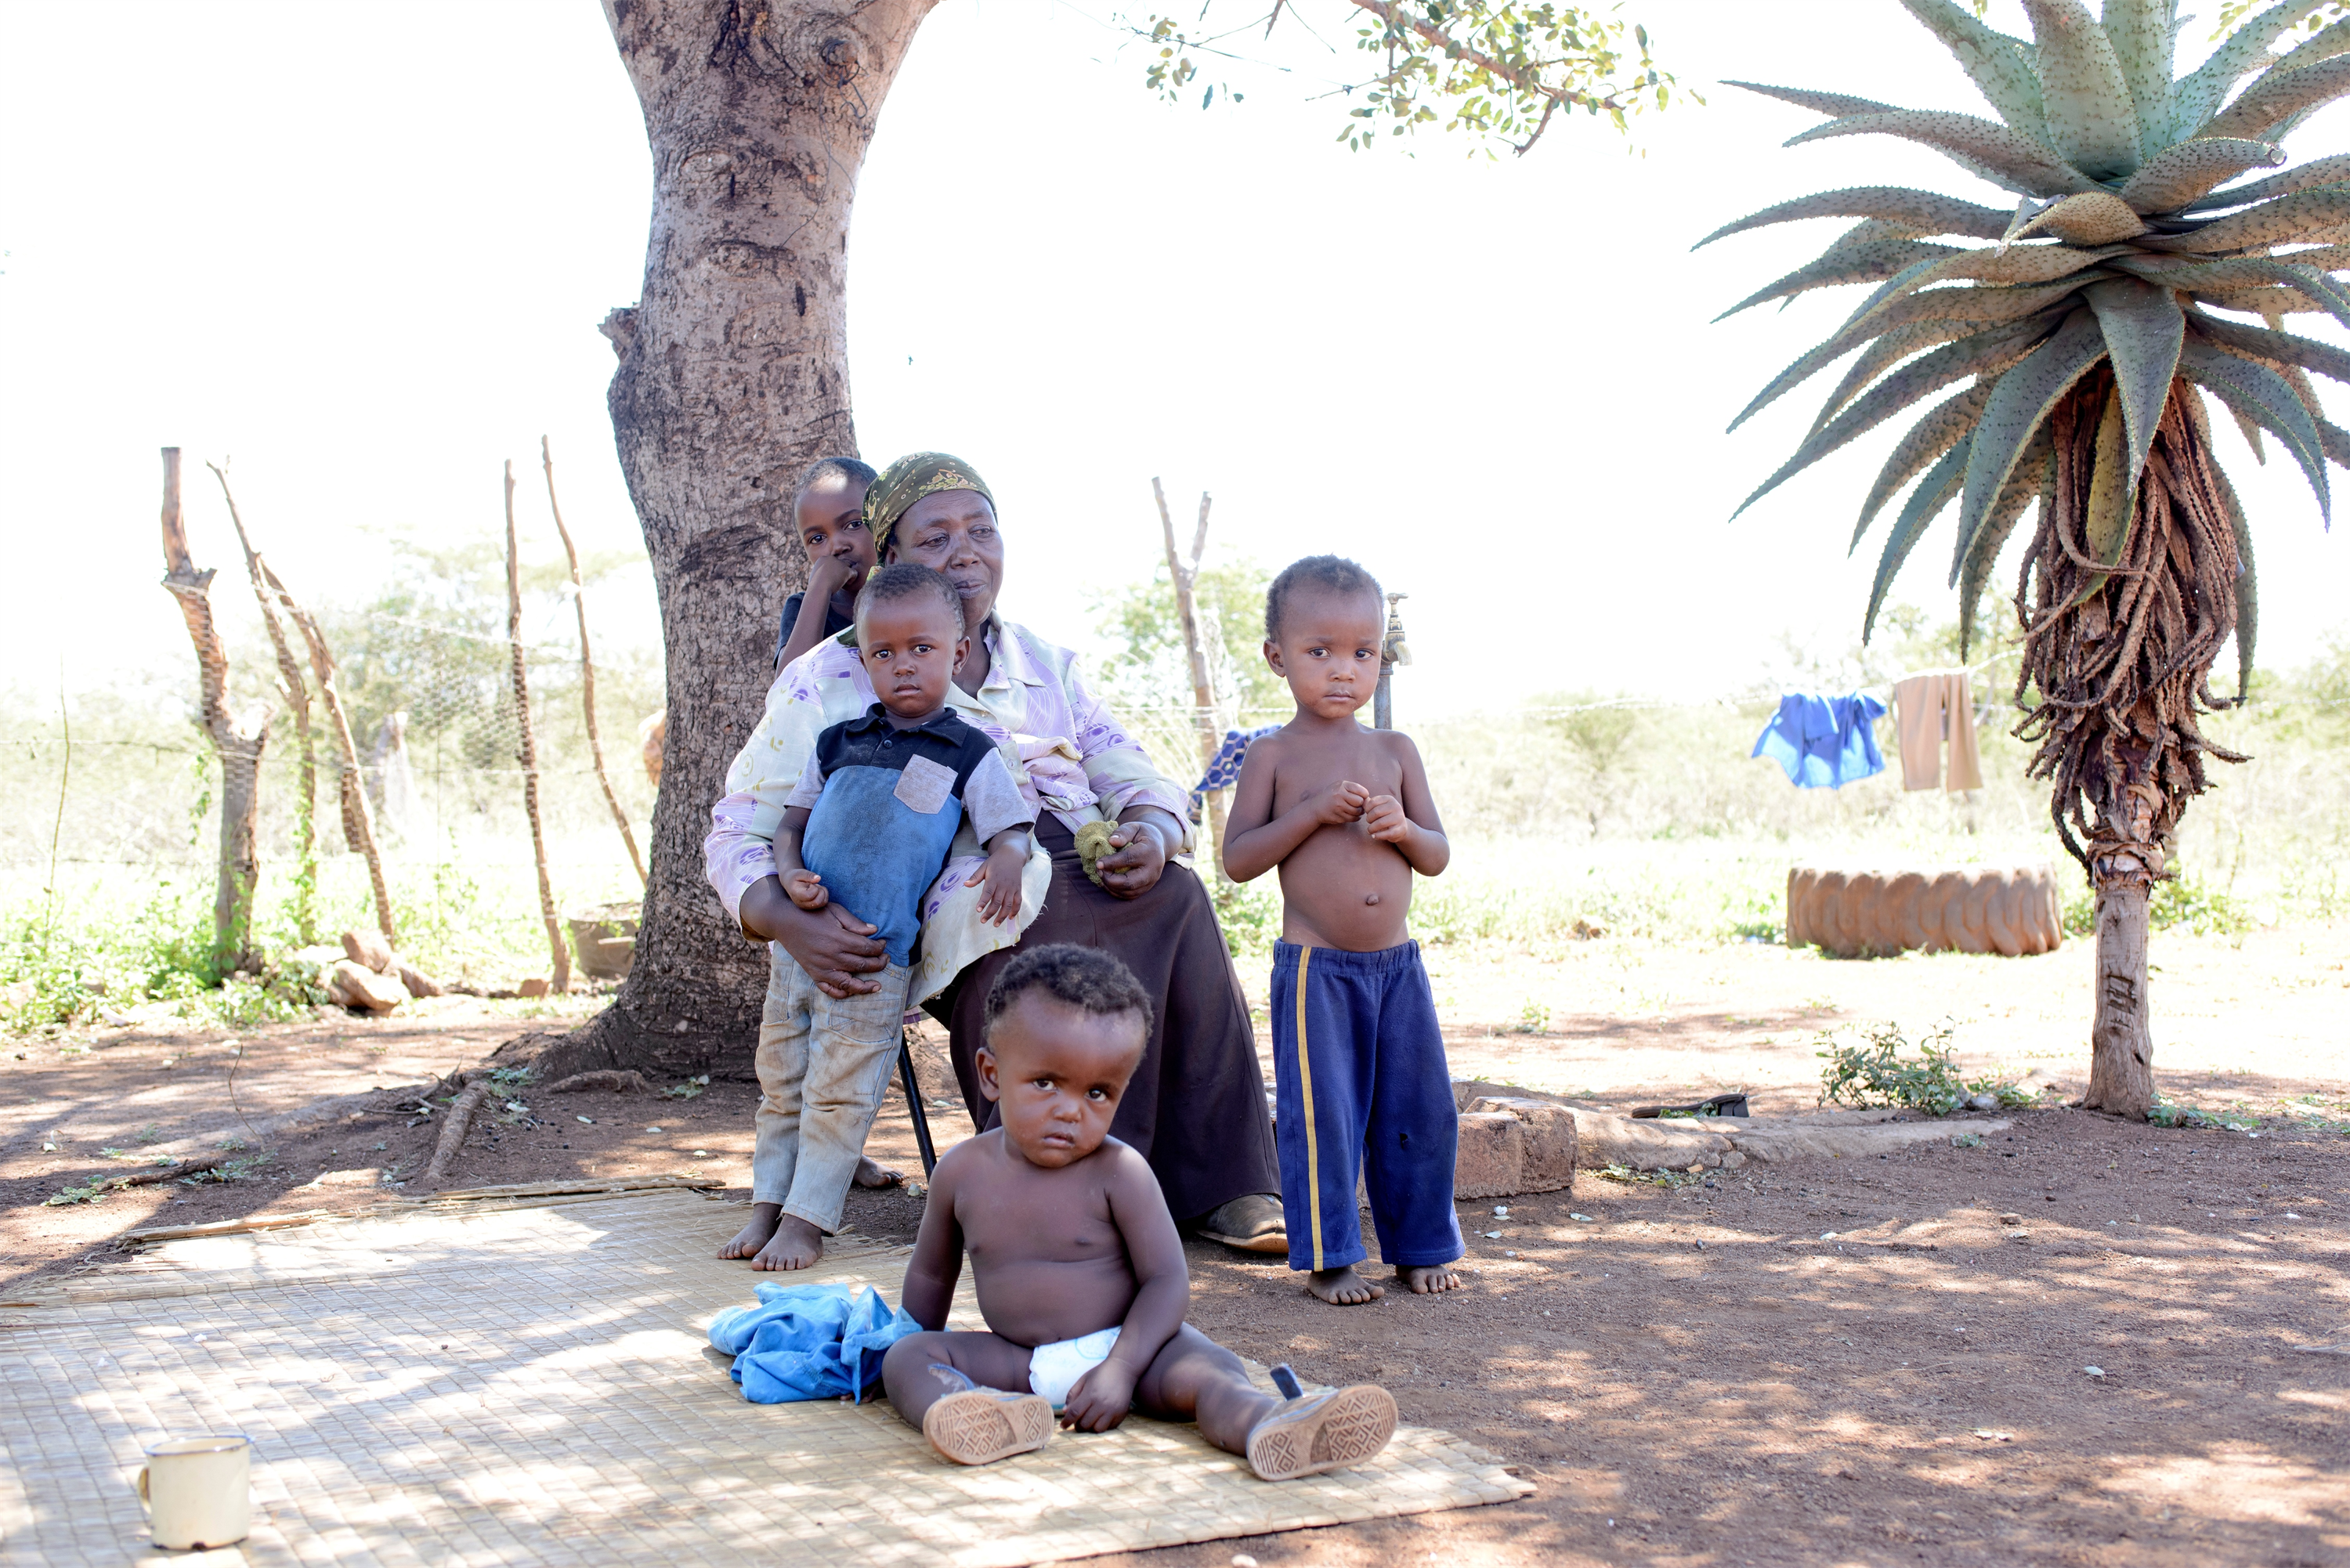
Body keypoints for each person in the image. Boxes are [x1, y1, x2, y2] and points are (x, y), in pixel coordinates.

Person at [707, 452, 1285, 1252]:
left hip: (1082, 847)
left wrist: (1151, 830)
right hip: (951, 883)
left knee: (1176, 897)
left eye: (982, 529)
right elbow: (742, 823)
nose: (966, 549)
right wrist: (779, 914)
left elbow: (1124, 761)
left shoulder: (1043, 663)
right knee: (1025, 916)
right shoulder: (830, 677)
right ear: (894, 558)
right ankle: (1056, 1195)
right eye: (936, 536)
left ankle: (1227, 1184)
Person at [880, 944, 1397, 1479]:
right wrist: (913, 1338)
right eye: (1045, 1083)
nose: (1069, 1109)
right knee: (906, 1358)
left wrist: (1120, 1370)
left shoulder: (1119, 1172)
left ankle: (1271, 1425)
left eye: (1098, 1093)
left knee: (1213, 1371)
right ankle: (981, 1414)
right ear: (990, 1073)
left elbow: (1166, 1281)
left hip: (1134, 1350)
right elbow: (932, 1272)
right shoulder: (960, 1172)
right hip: (1018, 1362)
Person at [721, 563, 1036, 1270]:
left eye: (921, 649)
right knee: (781, 1079)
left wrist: (1011, 857)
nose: (902, 667)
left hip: (876, 956)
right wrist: (791, 874)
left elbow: (1008, 827)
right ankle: (766, 1204)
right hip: (797, 950)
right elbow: (788, 826)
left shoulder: (967, 750)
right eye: (882, 653)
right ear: (862, 662)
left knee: (841, 1090)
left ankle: (808, 1220)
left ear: (956, 654)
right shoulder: (836, 741)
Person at [1220, 555, 1464, 1306]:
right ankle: (1329, 1255)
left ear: (1380, 660)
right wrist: (1309, 816)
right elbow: (1236, 861)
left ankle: (1420, 1246)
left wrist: (1401, 829)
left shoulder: (1396, 752)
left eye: (1361, 653)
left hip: (1397, 970)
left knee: (1419, 1111)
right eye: (1319, 652)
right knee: (1323, 1113)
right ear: (1277, 658)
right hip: (1316, 974)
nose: (1341, 671)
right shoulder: (1272, 755)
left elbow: (1438, 855)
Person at [773, 457, 878, 672]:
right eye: (818, 539)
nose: (837, 546)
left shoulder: (916, 591)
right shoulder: (804, 606)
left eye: (853, 524)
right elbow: (788, 687)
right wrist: (819, 589)